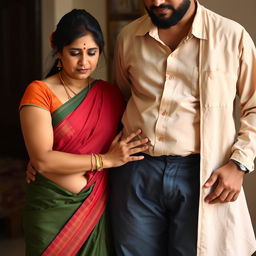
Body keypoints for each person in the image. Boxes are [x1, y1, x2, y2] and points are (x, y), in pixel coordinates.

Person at [109, 0, 256, 255]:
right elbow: (117, 99)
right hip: (136, 171)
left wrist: (239, 164)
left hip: (201, 174)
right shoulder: (128, 37)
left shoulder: (232, 36)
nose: (157, 2)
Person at [19, 9, 148, 256]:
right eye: (74, 53)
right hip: (50, 211)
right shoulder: (40, 92)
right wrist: (105, 160)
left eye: (92, 53)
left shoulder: (110, 95)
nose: (84, 62)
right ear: (57, 50)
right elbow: (43, 160)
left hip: (98, 207)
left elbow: (125, 143)